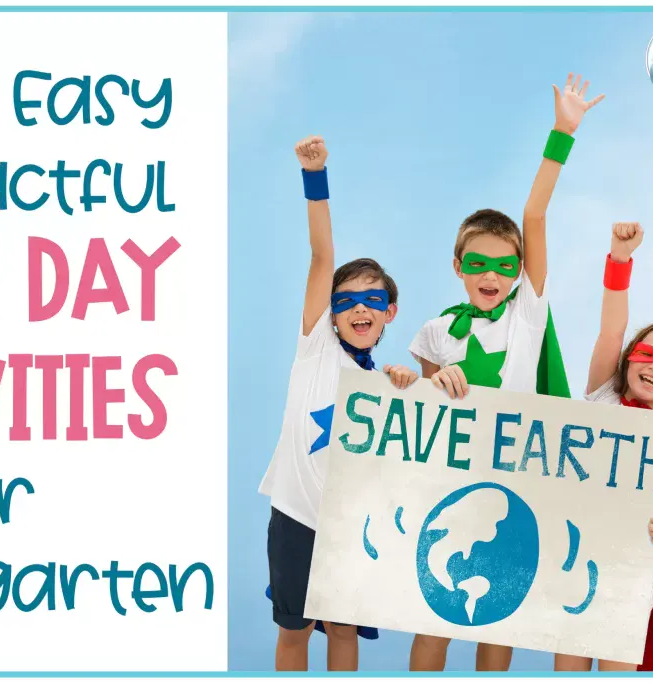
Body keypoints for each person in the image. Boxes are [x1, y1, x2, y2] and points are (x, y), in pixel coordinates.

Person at [407, 73, 604, 672]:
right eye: (477, 263)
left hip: (517, 478)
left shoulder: (527, 313)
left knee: (500, 616)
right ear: (458, 266)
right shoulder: (437, 329)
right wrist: (432, 379)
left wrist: (561, 133)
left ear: (520, 271)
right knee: (433, 613)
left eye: (504, 264)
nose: (491, 275)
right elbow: (417, 406)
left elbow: (534, 215)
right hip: (451, 480)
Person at [258, 134, 418, 671]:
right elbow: (322, 254)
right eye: (345, 301)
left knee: (344, 628)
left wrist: (414, 381)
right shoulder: (316, 348)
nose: (358, 309)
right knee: (295, 629)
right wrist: (316, 177)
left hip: (353, 521)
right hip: (296, 515)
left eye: (372, 300)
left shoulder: (391, 384)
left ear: (389, 312)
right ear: (329, 313)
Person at [554, 222, 653, 672]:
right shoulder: (604, 395)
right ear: (629, 357)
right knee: (570, 667)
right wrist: (619, 261)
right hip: (575, 562)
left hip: (629, 570)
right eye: (648, 355)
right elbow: (611, 331)